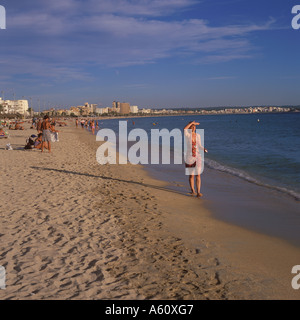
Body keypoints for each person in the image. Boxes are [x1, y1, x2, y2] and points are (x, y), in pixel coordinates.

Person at [184, 121, 207, 198]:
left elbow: (199, 145)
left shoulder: (198, 135)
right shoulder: (187, 135)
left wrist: (203, 149)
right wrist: (191, 123)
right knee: (191, 175)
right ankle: (193, 190)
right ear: (190, 128)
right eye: (192, 127)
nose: (194, 128)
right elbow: (184, 129)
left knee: (198, 174)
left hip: (197, 156)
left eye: (194, 127)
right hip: (189, 156)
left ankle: (198, 192)